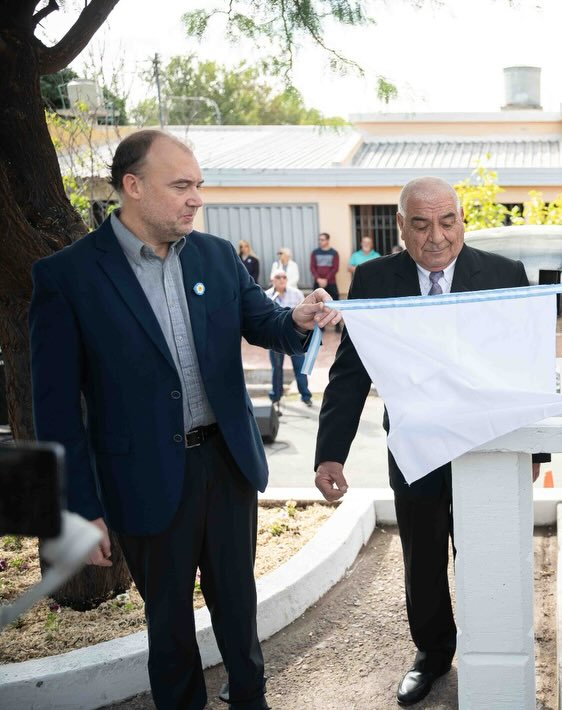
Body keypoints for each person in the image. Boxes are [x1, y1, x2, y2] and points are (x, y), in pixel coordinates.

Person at [28, 129, 341, 710]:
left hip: (227, 463)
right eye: (180, 186)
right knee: (168, 623)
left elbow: (263, 322)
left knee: (238, 607)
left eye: (198, 184)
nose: (196, 198)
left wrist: (296, 319)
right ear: (133, 186)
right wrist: (80, 507)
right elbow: (56, 409)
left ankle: (250, 699)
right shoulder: (68, 277)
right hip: (142, 476)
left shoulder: (216, 256)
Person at [314, 176, 547, 707]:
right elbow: (351, 372)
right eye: (421, 225)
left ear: (462, 220)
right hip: (415, 449)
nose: (436, 237)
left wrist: (535, 451)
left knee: (484, 554)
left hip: (488, 448)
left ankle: (490, 652)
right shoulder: (374, 280)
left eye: (447, 222)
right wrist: (330, 453)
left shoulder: (504, 275)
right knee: (422, 558)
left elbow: (526, 364)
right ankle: (433, 654)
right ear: (401, 226)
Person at [265, 271, 314, 406]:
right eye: (278, 277)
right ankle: (276, 396)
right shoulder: (267, 296)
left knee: (300, 367)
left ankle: (305, 395)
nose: (282, 279)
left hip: (294, 337)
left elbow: (305, 314)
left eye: (284, 277)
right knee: (276, 368)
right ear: (272, 280)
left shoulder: (296, 294)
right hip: (275, 338)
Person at [309, 232, 341, 300]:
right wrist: (318, 279)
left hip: (331, 282)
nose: (320, 241)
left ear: (327, 241)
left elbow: (335, 268)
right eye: (319, 240)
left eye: (322, 240)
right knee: (316, 301)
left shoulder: (334, 253)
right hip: (318, 282)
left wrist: (326, 279)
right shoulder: (315, 253)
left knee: (334, 301)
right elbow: (312, 267)